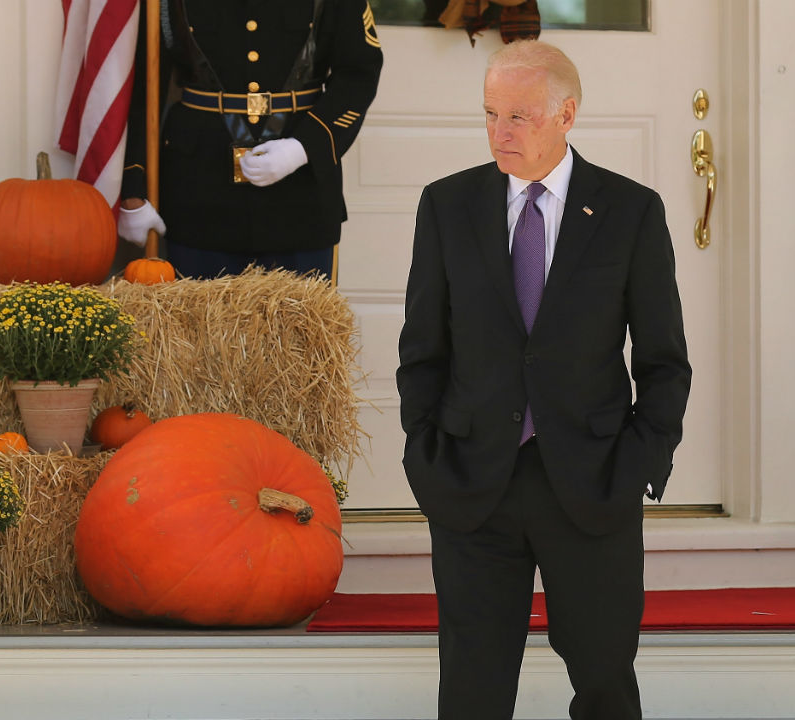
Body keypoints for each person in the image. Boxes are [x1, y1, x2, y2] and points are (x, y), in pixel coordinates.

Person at [396, 40, 691, 719]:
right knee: (472, 692)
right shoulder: (447, 206)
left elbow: (663, 359)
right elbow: (422, 350)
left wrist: (641, 460)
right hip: (473, 482)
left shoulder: (630, 211)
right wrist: (425, 453)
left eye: (519, 117)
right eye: (490, 114)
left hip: (593, 481)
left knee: (605, 683)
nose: (500, 132)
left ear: (567, 114)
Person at [117, 0, 383, 281]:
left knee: (301, 311)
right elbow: (143, 84)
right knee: (197, 310)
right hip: (200, 193)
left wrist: (302, 147)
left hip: (299, 197)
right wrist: (133, 187)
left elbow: (359, 73)